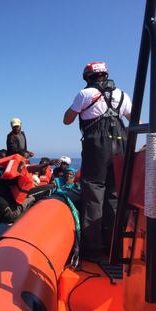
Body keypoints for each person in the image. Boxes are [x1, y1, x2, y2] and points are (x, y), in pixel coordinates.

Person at [63, 61, 132, 256]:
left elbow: (67, 120)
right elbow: (135, 120)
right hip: (121, 144)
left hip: (97, 145)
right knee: (115, 193)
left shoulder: (85, 94)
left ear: (88, 77)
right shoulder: (123, 95)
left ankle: (93, 248)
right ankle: (116, 246)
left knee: (94, 191)